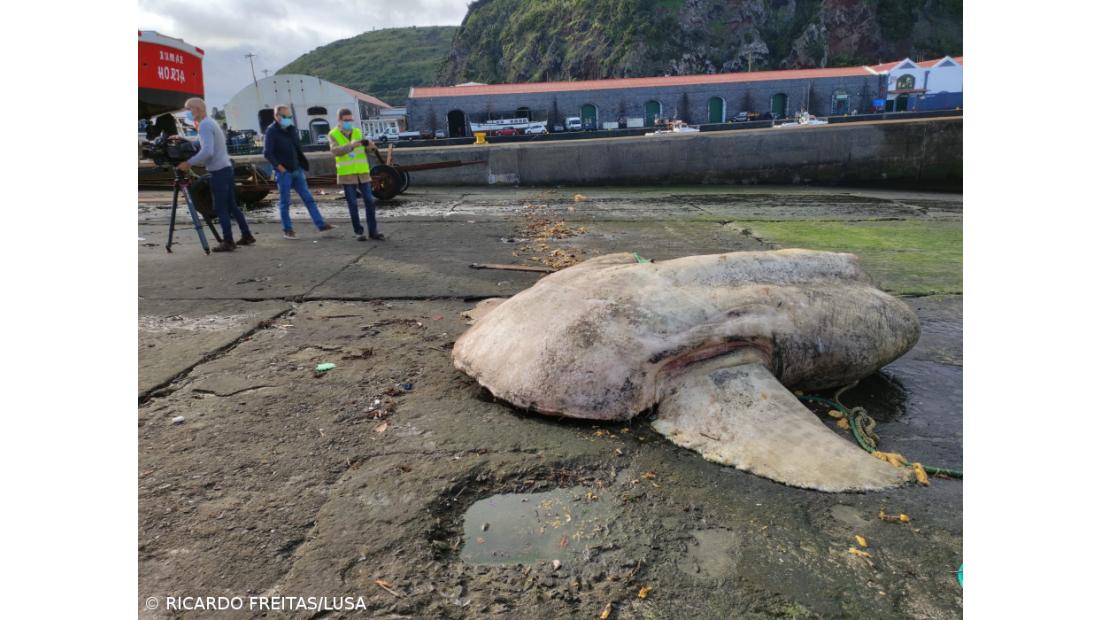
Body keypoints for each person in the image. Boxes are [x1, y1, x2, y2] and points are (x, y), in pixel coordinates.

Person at [176, 97, 254, 252]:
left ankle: (228, 241)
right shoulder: (210, 122)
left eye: (188, 109)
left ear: (197, 109)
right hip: (226, 168)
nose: (187, 113)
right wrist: (183, 139)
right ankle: (247, 235)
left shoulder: (204, 125)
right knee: (232, 206)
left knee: (220, 208)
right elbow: (203, 142)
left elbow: (207, 151)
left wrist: (189, 163)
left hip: (218, 172)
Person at [263, 105, 332, 239]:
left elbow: (296, 147)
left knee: (309, 199)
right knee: (285, 202)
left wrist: (300, 163)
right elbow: (267, 153)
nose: (288, 119)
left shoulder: (291, 129)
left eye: (289, 117)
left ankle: (321, 224)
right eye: (285, 117)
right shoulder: (271, 132)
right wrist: (279, 167)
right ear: (276, 116)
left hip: (297, 169)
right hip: (284, 172)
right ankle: (287, 230)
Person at [327, 109, 384, 241]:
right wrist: (351, 146)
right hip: (347, 175)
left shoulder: (357, 132)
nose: (348, 122)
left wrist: (371, 146)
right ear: (339, 120)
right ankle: (359, 232)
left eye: (350, 120)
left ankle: (373, 232)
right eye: (346, 120)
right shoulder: (333, 134)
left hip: (362, 173)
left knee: (370, 201)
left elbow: (368, 151)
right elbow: (335, 151)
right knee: (352, 204)